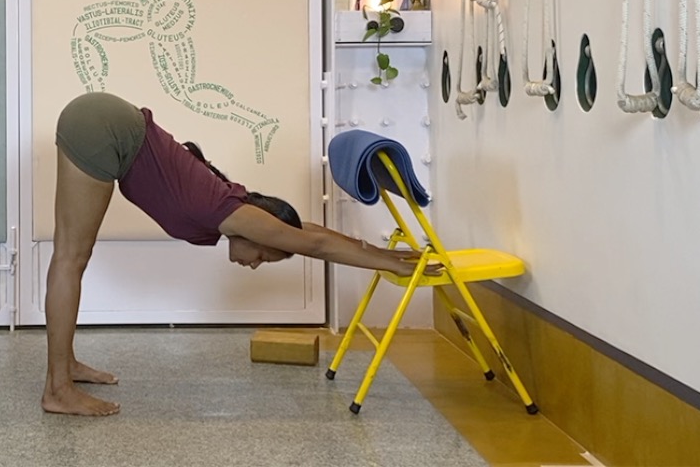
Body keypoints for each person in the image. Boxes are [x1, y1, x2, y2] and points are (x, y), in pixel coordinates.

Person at [42, 91, 440, 417]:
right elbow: (314, 245)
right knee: (70, 258)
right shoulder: (231, 212)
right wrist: (387, 261)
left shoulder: (236, 207)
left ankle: (66, 365)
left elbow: (306, 232)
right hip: (104, 128)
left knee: (71, 257)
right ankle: (58, 389)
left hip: (108, 121)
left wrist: (375, 249)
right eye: (264, 256)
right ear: (260, 233)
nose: (254, 264)